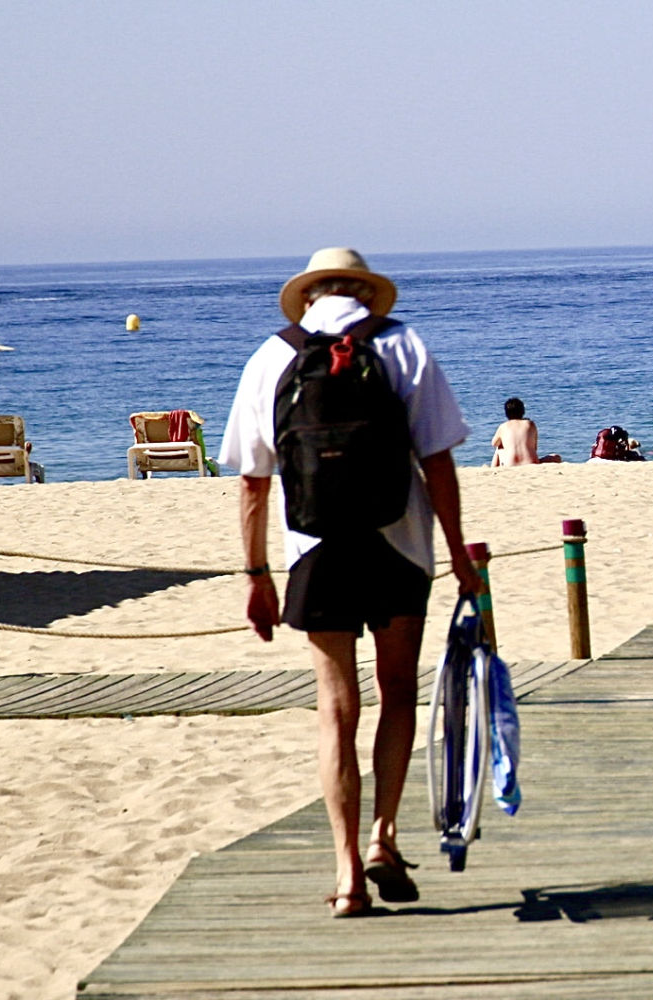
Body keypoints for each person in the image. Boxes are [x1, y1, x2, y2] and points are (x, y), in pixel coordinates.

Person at [219, 247, 482, 919]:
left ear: (307, 297)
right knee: (397, 692)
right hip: (399, 545)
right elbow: (439, 463)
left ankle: (345, 877)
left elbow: (252, 484)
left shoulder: (270, 358)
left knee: (337, 709)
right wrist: (458, 553)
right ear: (364, 294)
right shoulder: (403, 346)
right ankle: (384, 837)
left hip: (315, 552)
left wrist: (256, 575)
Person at [490, 397, 561, 466]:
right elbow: (535, 448)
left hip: (510, 464)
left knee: (499, 446)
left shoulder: (503, 426)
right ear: (522, 411)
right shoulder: (530, 424)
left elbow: (494, 443)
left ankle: (493, 468)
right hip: (532, 463)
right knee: (556, 457)